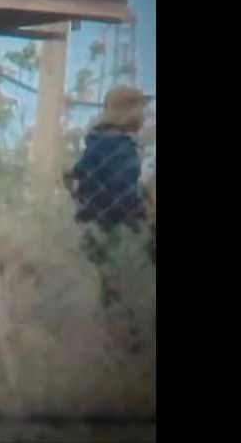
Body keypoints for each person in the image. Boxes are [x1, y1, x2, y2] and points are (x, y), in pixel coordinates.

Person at [64, 85, 152, 351]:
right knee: (127, 299)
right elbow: (122, 193)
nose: (144, 115)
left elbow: (75, 178)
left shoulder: (96, 144)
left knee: (112, 297)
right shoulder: (119, 146)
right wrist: (142, 215)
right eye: (141, 109)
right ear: (129, 112)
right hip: (118, 232)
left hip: (96, 231)